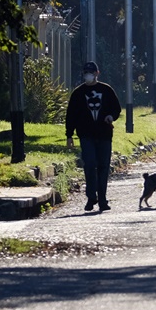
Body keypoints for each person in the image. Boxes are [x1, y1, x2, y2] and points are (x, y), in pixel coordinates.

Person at [65, 61, 121, 212]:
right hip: (86, 135)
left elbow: (117, 108)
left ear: (97, 73)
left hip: (104, 135)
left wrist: (111, 116)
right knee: (89, 165)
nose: (88, 75)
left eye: (91, 72)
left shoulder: (106, 90)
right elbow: (70, 115)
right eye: (86, 72)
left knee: (103, 167)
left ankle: (102, 199)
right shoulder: (78, 93)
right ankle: (91, 197)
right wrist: (69, 135)